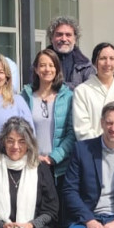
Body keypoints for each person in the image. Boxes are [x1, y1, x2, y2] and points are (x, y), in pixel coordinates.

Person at [18, 48, 76, 176]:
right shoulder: (25, 97)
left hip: (60, 168)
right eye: (42, 65)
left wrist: (53, 157)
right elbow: (19, 131)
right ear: (36, 69)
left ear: (57, 69)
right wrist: (32, 155)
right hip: (31, 164)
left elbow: (72, 134)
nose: (47, 69)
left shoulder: (68, 97)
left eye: (51, 65)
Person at [46, 16, 93, 88]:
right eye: (59, 34)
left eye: (68, 35)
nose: (64, 39)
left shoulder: (86, 67)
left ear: (75, 39)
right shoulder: (40, 64)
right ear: (51, 38)